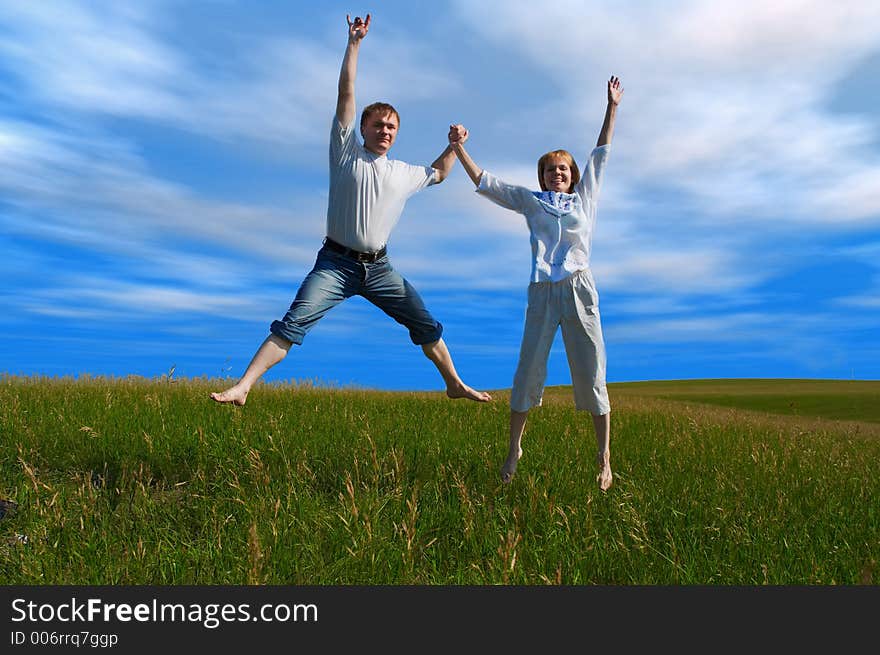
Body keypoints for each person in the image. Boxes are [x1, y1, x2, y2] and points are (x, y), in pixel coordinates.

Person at [211, 14, 491, 406]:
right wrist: (354, 44)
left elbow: (441, 174)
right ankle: (243, 387)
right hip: (335, 265)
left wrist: (455, 146)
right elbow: (346, 93)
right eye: (378, 124)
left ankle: (454, 383)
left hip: (380, 269)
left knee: (424, 323)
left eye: (391, 126)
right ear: (363, 129)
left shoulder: (403, 172)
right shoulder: (345, 154)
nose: (385, 131)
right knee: (293, 323)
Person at [447, 76, 623, 490]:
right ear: (542, 177)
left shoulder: (585, 199)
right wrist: (458, 148)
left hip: (579, 290)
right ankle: (513, 450)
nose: (556, 173)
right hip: (543, 293)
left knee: (593, 372)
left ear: (572, 174)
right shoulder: (531, 200)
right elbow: (488, 183)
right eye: (549, 169)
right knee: (527, 373)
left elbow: (600, 154)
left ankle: (604, 458)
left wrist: (612, 107)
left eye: (562, 168)